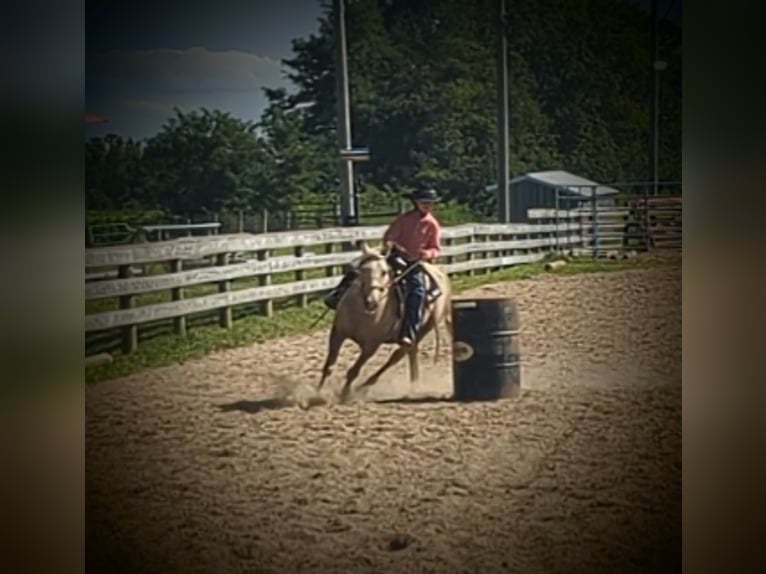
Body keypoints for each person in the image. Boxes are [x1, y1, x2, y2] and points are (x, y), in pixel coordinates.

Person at [323, 186, 442, 346]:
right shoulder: (404, 219)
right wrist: (390, 244)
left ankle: (408, 331)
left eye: (430, 203)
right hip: (394, 256)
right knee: (359, 268)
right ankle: (337, 295)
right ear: (416, 203)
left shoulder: (432, 224)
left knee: (417, 291)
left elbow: (435, 247)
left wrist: (428, 254)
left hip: (414, 263)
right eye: (424, 202)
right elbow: (389, 235)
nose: (427, 206)